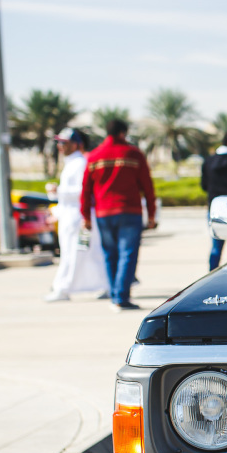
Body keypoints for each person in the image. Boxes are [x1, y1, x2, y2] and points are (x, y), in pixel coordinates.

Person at [81, 118, 157, 311]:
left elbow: (86, 189)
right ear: (123, 133)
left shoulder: (94, 156)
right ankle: (121, 297)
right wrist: (152, 214)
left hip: (103, 213)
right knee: (128, 254)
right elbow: (148, 187)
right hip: (129, 212)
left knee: (110, 254)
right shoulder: (133, 154)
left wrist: (86, 216)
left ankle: (115, 294)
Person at [44, 128, 109, 302]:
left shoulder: (80, 163)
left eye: (64, 143)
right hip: (71, 216)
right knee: (84, 252)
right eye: (59, 142)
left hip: (78, 218)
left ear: (76, 144)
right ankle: (106, 284)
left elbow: (85, 191)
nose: (60, 146)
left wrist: (60, 191)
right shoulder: (72, 163)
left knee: (76, 252)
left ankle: (63, 288)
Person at [202, 130, 227, 270]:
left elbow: (204, 186)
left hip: (214, 209)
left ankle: (211, 277)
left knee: (216, 248)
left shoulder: (208, 161)